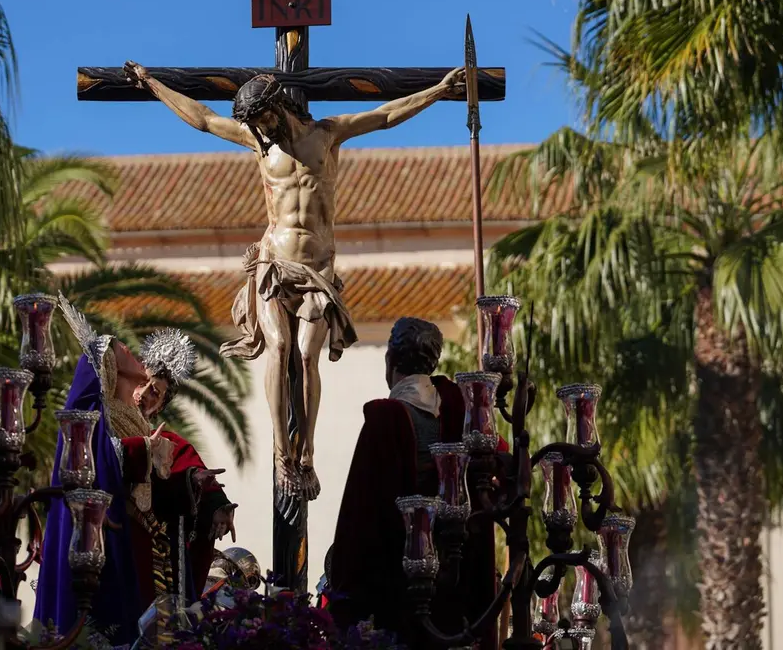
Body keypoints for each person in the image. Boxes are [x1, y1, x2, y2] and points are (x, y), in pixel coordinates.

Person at [122, 62, 467, 500]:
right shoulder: (258, 145)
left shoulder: (327, 134)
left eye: (262, 120)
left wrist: (437, 90)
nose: (260, 130)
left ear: (277, 107)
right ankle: (282, 454)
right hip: (273, 263)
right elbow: (205, 119)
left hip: (316, 268)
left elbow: (384, 115)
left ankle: (307, 454)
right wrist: (153, 84)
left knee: (306, 357)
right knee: (280, 347)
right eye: (253, 125)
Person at [33, 295, 236, 645]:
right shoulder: (101, 417)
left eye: (158, 396)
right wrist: (142, 451)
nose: (148, 398)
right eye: (149, 388)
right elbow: (92, 457)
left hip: (146, 545)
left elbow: (188, 466)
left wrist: (209, 495)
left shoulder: (159, 436)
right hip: (111, 537)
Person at [327, 317, 505, 643]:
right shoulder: (462, 407)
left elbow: (360, 513)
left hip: (398, 581)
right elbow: (500, 459)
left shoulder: (385, 419)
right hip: (460, 577)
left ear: (390, 360)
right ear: (433, 361)